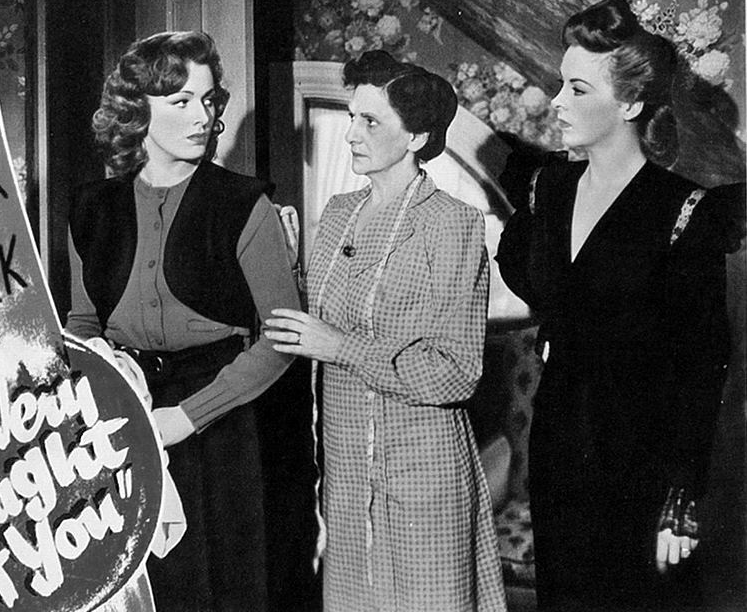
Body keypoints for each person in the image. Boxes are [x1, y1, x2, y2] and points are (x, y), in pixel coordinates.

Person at [496, 0, 731, 611]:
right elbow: (521, 269)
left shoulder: (683, 210)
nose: (557, 101)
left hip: (642, 457)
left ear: (629, 104)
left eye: (577, 89)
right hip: (558, 442)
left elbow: (704, 364)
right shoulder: (548, 190)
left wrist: (681, 499)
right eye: (560, 84)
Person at [65, 31, 301, 612]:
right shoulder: (91, 207)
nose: (203, 116)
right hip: (121, 414)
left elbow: (282, 339)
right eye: (181, 102)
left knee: (218, 591)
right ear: (135, 111)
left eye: (209, 100)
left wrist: (187, 417)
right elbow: (83, 323)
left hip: (220, 420)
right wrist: (100, 400)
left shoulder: (245, 204)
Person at [265, 50, 506, 612]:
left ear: (417, 136)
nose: (351, 133)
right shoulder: (337, 212)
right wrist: (285, 265)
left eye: (370, 121)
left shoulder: (452, 223)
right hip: (347, 477)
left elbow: (455, 372)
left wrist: (339, 347)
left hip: (422, 474)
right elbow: (314, 323)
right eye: (352, 117)